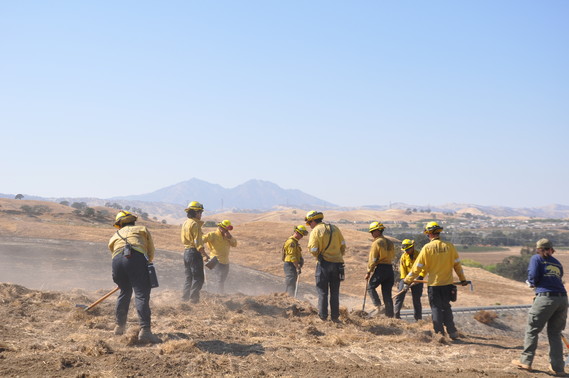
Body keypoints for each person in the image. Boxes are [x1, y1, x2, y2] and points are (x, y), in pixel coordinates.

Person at [512, 239, 568, 376]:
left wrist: (531, 283)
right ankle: (558, 368)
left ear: (540, 249)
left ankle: (526, 361)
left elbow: (533, 276)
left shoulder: (536, 258)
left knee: (532, 329)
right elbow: (558, 277)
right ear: (551, 249)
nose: (538, 251)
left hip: (546, 297)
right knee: (555, 333)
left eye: (539, 249)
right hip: (562, 299)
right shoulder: (556, 262)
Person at [403, 221, 468, 339]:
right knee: (446, 307)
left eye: (427, 234)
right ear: (438, 233)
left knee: (436, 308)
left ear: (430, 234)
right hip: (448, 284)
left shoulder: (427, 248)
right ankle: (452, 332)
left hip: (434, 285)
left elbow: (417, 267)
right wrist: (463, 279)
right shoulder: (449, 246)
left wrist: (407, 280)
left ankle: (439, 334)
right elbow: (457, 265)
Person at [108, 210, 161, 343]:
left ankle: (119, 327)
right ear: (133, 221)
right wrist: (145, 265)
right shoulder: (142, 229)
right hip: (135, 258)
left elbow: (113, 253)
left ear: (119, 225)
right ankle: (146, 331)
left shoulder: (114, 236)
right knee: (141, 294)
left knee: (124, 291)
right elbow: (150, 251)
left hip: (117, 262)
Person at [305, 210, 346, 322]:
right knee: (335, 292)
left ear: (314, 221)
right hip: (337, 264)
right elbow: (343, 245)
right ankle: (335, 318)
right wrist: (337, 256)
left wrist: (319, 255)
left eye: (309, 223)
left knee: (322, 292)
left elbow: (313, 249)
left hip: (324, 264)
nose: (309, 226)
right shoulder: (335, 228)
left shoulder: (316, 231)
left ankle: (323, 317)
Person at [181, 201, 210, 303]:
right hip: (194, 253)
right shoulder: (195, 224)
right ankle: (194, 301)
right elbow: (197, 242)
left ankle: (184, 299)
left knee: (189, 277)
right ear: (195, 212)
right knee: (198, 278)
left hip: (186, 253)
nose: (201, 214)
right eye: (200, 212)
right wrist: (204, 254)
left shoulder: (185, 223)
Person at [364, 221, 395, 317]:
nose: (372, 234)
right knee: (387, 294)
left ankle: (378, 307)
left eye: (373, 232)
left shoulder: (377, 242)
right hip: (390, 269)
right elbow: (393, 255)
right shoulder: (390, 242)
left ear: (378, 231)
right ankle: (390, 316)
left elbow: (373, 258)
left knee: (370, 287)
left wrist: (369, 271)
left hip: (381, 268)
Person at [203, 220, 237, 294]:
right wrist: (203, 254)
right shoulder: (212, 235)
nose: (227, 231)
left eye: (228, 230)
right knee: (219, 279)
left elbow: (234, 244)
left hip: (225, 261)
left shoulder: (227, 236)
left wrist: (230, 237)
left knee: (222, 280)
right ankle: (219, 295)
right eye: (225, 229)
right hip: (215, 260)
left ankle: (219, 293)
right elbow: (201, 240)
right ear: (220, 227)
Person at [393, 239, 424, 320]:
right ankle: (396, 316)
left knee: (416, 299)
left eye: (408, 249)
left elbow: (423, 268)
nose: (406, 251)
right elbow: (402, 270)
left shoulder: (419, 255)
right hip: (406, 279)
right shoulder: (403, 256)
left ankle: (418, 318)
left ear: (412, 247)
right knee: (399, 296)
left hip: (418, 280)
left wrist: (419, 277)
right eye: (405, 250)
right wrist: (405, 282)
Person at [282, 225, 309, 296]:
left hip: (293, 265)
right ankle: (289, 298)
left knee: (293, 283)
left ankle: (290, 297)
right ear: (296, 232)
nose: (302, 237)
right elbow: (292, 257)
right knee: (290, 282)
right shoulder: (292, 242)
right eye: (301, 234)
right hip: (290, 265)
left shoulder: (295, 242)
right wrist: (297, 267)